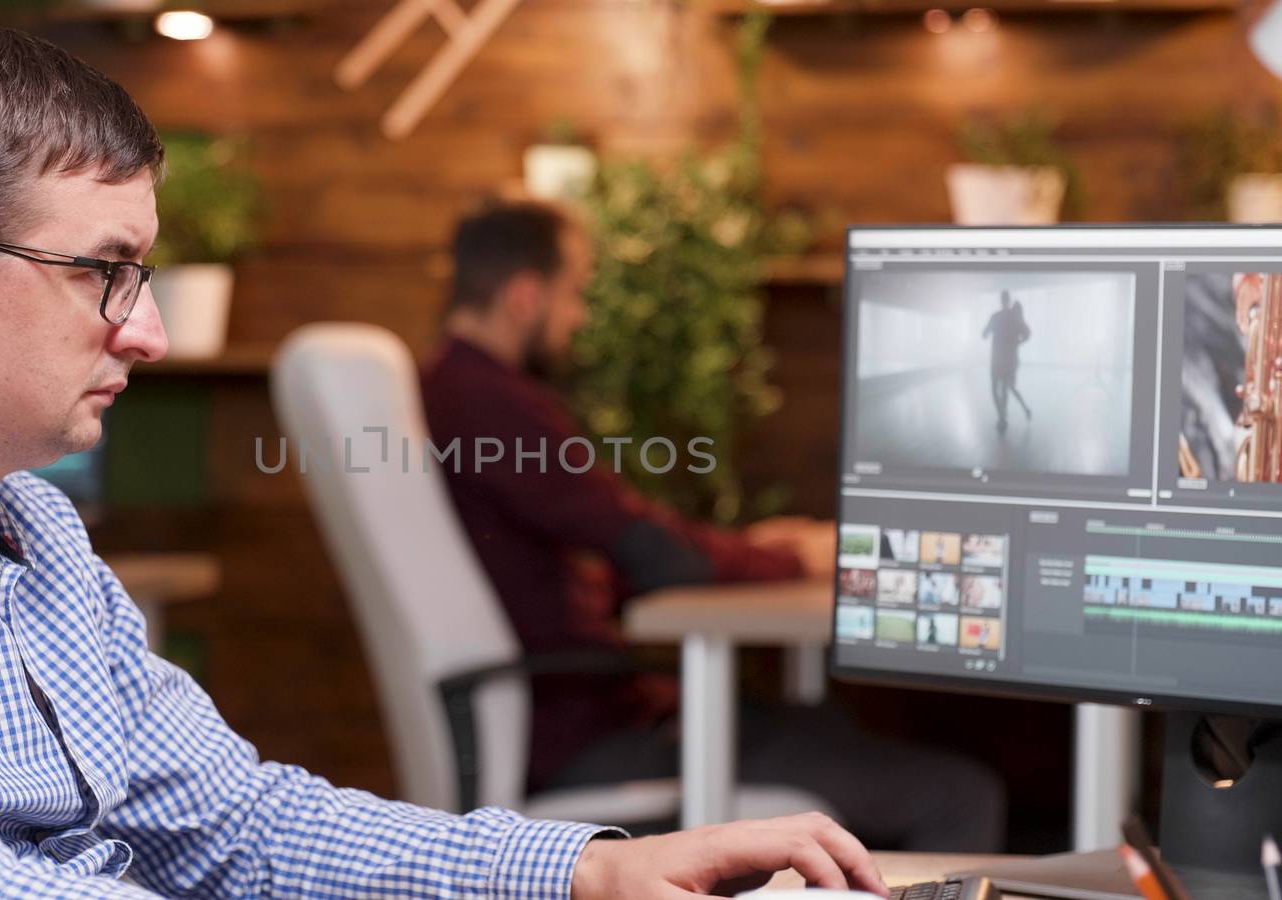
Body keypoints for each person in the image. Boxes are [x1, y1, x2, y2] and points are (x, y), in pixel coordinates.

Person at [0, 15, 889, 899]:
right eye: (105, 273)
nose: (145, 330)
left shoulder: (31, 530)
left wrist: (586, 874)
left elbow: (235, 826)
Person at [421, 199, 1006, 853]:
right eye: (574, 294)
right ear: (526, 296)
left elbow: (612, 539)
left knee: (824, 728)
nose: (579, 317)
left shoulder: (454, 391)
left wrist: (755, 551)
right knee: (958, 796)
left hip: (594, 722)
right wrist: (802, 561)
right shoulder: (488, 404)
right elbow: (652, 550)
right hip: (593, 742)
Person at [981, 291, 1032, 432]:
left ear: (1001, 300)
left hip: (998, 359)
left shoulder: (996, 317)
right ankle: (1005, 416)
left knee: (998, 389)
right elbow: (1027, 334)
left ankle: (1002, 417)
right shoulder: (1014, 317)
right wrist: (1017, 343)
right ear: (1008, 300)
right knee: (1006, 388)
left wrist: (987, 332)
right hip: (1009, 359)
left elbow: (984, 334)